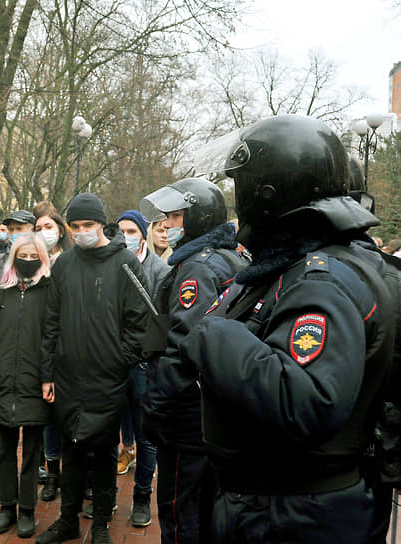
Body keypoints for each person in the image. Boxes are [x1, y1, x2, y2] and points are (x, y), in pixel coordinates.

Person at [178, 114, 398, 543]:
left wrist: (212, 335)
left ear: (266, 194)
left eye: (241, 186)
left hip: (297, 515)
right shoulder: (296, 267)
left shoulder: (321, 279)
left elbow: (308, 399)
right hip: (277, 507)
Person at [36, 193, 148, 544]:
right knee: (70, 449)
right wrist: (47, 373)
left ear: (102, 224)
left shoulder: (126, 263)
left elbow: (139, 324)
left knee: (104, 453)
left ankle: (100, 523)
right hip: (67, 376)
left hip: (107, 377)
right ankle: (68, 520)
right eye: (76, 226)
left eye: (88, 225)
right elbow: (51, 322)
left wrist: (118, 360)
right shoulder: (65, 265)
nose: (82, 231)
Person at [140, 177, 247, 544]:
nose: (167, 225)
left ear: (198, 217)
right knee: (207, 511)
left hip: (188, 418)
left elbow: (186, 344)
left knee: (180, 513)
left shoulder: (198, 267)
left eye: (175, 216)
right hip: (214, 412)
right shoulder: (227, 257)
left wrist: (154, 407)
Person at [0, 232, 52, 538]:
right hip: (3, 381)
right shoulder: (2, 289)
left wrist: (48, 373)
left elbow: (53, 333)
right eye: (21, 255)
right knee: (5, 450)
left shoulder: (50, 290)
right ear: (13, 257)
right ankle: (6, 506)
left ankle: (27, 509)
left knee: (32, 452)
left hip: (35, 382)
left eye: (32, 255)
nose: (26, 261)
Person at [115, 209, 170, 528]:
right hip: (113, 360)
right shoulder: (112, 264)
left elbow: (161, 318)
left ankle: (141, 497)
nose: (126, 235)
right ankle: (103, 495)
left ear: (143, 232)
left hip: (143, 363)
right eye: (120, 229)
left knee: (145, 434)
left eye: (132, 230)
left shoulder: (160, 269)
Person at [0, 209, 36, 487]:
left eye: (20, 229)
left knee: (33, 418)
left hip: (30, 359)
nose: (13, 234)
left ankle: (37, 471)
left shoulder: (42, 263)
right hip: (2, 351)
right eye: (10, 229)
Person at [32, 201, 70, 501]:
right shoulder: (30, 261)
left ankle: (74, 477)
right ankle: (51, 475)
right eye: (38, 228)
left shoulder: (70, 261)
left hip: (68, 350)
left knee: (67, 417)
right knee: (47, 420)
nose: (44, 232)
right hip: (39, 349)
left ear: (60, 230)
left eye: (48, 226)